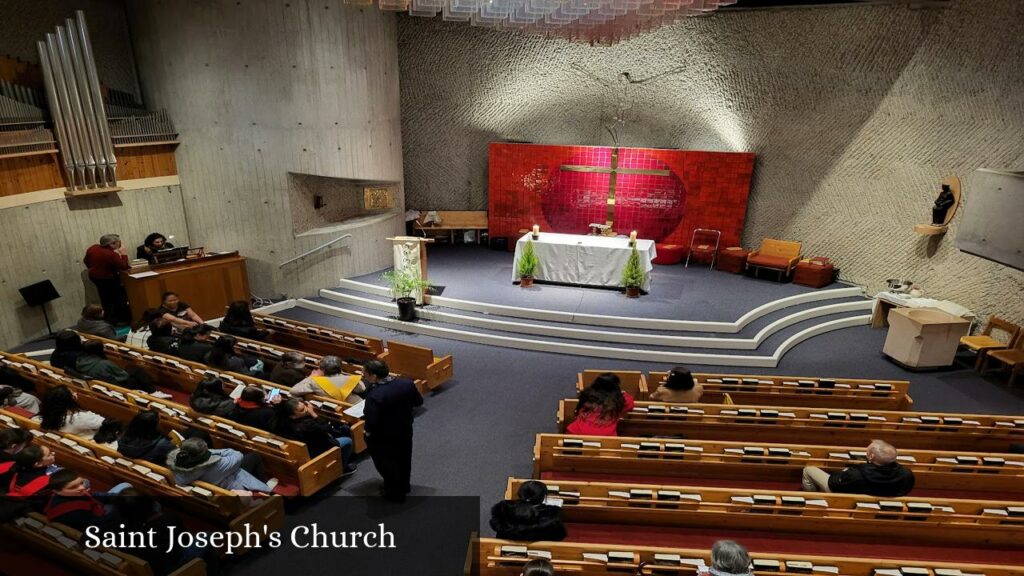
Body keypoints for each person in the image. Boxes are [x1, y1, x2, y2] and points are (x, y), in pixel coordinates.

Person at [104, 489, 213, 575]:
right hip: (174, 567)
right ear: (148, 503)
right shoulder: (169, 520)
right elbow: (186, 540)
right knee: (206, 536)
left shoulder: (118, 528)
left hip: (152, 566)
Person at [362, 359, 422, 502]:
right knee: (404, 458)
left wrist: (367, 433)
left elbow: (371, 420)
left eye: (365, 374)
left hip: (383, 436)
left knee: (387, 464)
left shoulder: (374, 395)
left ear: (374, 376)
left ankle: (395, 494)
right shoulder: (406, 383)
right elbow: (418, 402)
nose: (363, 376)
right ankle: (405, 486)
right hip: (405, 429)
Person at [802, 439, 915, 497]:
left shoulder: (856, 475)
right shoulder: (907, 474)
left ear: (871, 456)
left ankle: (812, 497)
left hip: (846, 497)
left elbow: (833, 483)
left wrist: (843, 473)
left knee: (808, 470)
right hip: (883, 499)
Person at [274, 398, 356, 474]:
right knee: (348, 440)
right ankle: (343, 468)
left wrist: (277, 405)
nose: (306, 409)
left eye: (305, 406)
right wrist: (314, 414)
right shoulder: (307, 426)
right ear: (293, 416)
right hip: (317, 449)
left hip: (304, 447)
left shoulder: (281, 422)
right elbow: (326, 428)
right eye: (302, 410)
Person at [166, 438, 276, 494]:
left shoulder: (179, 463)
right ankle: (265, 486)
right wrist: (212, 452)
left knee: (234, 468)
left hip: (213, 482)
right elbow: (237, 455)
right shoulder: (218, 464)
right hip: (226, 483)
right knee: (253, 456)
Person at [42, 469, 131, 532]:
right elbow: (98, 525)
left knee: (125, 486)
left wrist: (118, 497)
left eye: (81, 482)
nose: (82, 487)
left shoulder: (69, 494)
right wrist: (120, 508)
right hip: (98, 525)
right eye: (73, 487)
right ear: (57, 491)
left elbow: (93, 496)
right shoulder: (74, 512)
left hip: (96, 510)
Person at [75, 340, 168, 397]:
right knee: (137, 370)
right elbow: (123, 376)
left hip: (99, 383)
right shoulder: (104, 363)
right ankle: (153, 391)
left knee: (131, 368)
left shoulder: (79, 360)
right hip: (117, 386)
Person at [489, 480, 567, 541]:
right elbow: (560, 536)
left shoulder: (503, 510)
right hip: (541, 554)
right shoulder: (552, 517)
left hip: (507, 550)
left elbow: (495, 525)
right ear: (543, 498)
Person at [83, 234, 131, 325]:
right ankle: (116, 320)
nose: (120, 245)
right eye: (118, 243)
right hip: (107, 279)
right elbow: (124, 266)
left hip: (94, 277)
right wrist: (124, 254)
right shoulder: (111, 254)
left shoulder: (93, 248)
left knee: (105, 299)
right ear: (112, 244)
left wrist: (95, 267)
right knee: (115, 299)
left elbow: (85, 260)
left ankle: (110, 319)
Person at [566, 373, 635, 436]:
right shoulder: (619, 401)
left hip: (576, 433)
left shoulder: (587, 395)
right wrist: (622, 393)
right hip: (605, 438)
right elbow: (630, 404)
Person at [38, 385, 106, 440]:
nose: (75, 393)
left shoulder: (46, 415)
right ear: (69, 401)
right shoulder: (79, 418)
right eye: (72, 393)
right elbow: (105, 423)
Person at [291, 355, 365, 403]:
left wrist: (311, 377)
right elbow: (362, 389)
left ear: (322, 369)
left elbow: (294, 390)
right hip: (353, 407)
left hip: (332, 408)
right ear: (340, 368)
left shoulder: (314, 382)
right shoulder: (350, 379)